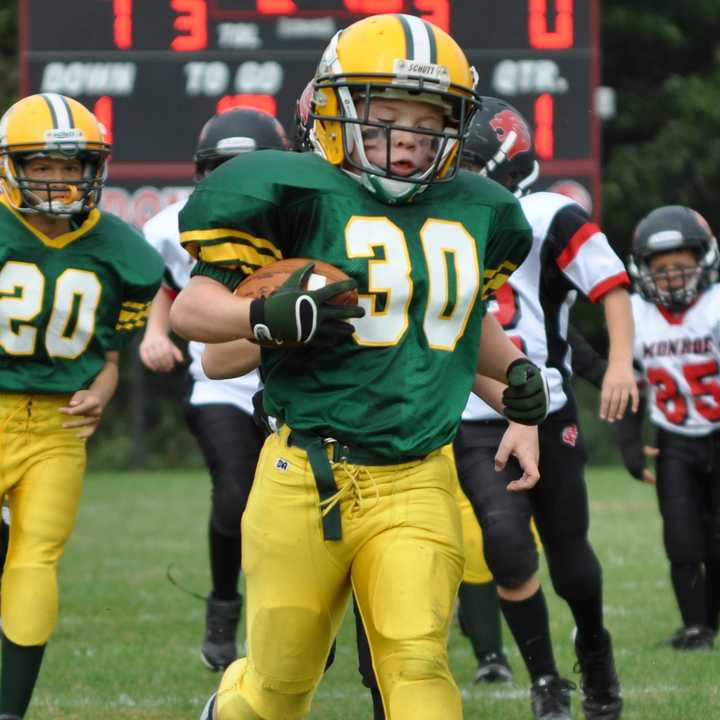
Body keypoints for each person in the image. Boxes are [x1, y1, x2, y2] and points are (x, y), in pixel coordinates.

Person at [170, 13, 549, 720]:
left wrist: (511, 377)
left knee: (417, 664)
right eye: (384, 116)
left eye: (425, 121)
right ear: (336, 113)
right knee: (279, 688)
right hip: (303, 474)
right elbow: (191, 314)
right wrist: (265, 318)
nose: (405, 139)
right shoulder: (293, 193)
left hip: (417, 475)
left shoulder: (478, 210)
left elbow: (454, 314)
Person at [455, 97, 637, 720]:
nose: (456, 170)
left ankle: (595, 650)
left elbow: (611, 283)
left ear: (506, 159)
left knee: (572, 562)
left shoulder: (549, 211)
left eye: (469, 159)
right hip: (474, 417)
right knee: (505, 548)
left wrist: (616, 363)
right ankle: (546, 682)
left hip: (548, 409)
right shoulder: (435, 216)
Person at [0, 93, 164, 719]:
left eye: (72, 167)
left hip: (60, 426)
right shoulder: (126, 250)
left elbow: (110, 363)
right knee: (32, 558)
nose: (60, 180)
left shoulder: (124, 254)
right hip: (31, 421)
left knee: (37, 560)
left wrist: (99, 391)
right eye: (43, 165)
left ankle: (11, 709)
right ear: (14, 166)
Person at [139, 107, 290, 671]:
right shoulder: (183, 223)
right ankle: (225, 605)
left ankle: (289, 618)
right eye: (224, 169)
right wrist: (156, 331)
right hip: (221, 383)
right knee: (234, 495)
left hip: (298, 383)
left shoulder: (303, 215)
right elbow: (169, 283)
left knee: (292, 511)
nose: (236, 182)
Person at [618, 205, 720, 649]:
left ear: (703, 262)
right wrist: (629, 441)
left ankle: (710, 620)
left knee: (716, 536)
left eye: (682, 265)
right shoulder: (634, 315)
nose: (673, 276)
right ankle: (695, 626)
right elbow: (628, 381)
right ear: (643, 270)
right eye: (661, 268)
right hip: (673, 439)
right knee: (680, 537)